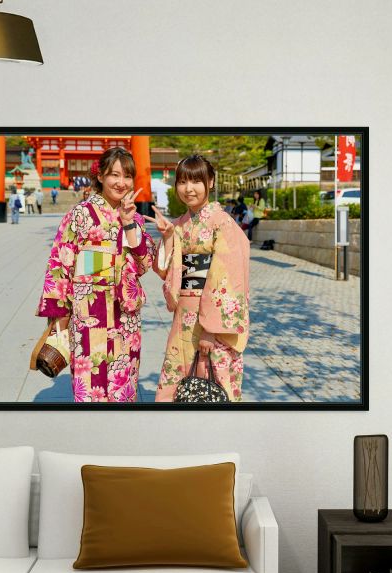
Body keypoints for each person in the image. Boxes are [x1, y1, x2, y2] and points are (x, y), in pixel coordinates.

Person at [36, 146, 156, 403]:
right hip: (88, 312)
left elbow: (145, 263)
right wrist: (58, 316)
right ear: (100, 176)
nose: (121, 183)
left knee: (124, 384)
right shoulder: (80, 215)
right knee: (90, 386)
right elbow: (60, 264)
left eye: (127, 176)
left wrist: (129, 224)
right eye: (114, 175)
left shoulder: (135, 217)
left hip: (126, 316)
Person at [146, 154, 250, 402]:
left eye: (196, 181)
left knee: (212, 383)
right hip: (183, 314)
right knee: (179, 380)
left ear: (211, 182)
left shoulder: (222, 223)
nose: (188, 188)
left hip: (210, 320)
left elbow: (228, 278)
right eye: (182, 182)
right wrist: (169, 237)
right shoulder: (179, 224)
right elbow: (164, 270)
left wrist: (210, 330)